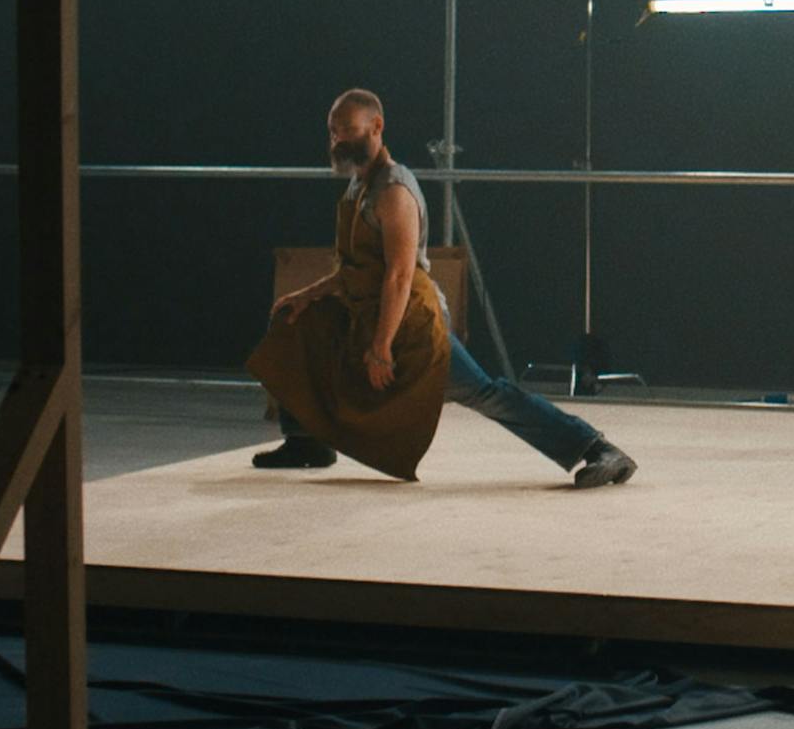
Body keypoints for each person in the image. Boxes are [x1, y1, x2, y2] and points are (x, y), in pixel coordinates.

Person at [246, 88, 638, 487]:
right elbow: (358, 270)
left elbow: (399, 275)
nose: (337, 140)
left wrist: (381, 346)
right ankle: (306, 441)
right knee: (294, 321)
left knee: (486, 393)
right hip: (366, 308)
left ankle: (598, 449)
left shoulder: (394, 190)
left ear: (376, 127)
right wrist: (306, 295)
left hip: (413, 322)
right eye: (332, 132)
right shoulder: (359, 185)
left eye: (346, 130)